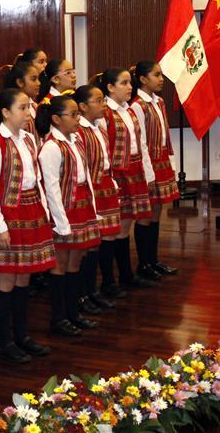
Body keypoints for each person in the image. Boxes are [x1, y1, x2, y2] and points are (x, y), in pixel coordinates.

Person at [0, 88, 55, 362]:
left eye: (28, 108)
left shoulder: (28, 139)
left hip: (31, 209)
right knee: (8, 278)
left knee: (25, 275)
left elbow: (36, 178)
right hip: (9, 214)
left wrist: (45, 210)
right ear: (5, 112)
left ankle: (22, 334)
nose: (27, 113)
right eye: (22, 108)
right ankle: (5, 340)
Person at [37, 96, 101, 337]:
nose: (77, 119)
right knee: (61, 264)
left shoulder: (76, 140)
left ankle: (74, 312)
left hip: (81, 205)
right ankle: (58, 316)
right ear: (56, 119)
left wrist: (93, 208)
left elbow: (85, 176)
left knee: (77, 260)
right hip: (63, 210)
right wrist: (61, 222)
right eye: (72, 115)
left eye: (77, 114)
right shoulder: (52, 147)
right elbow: (51, 187)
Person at [95, 69, 157, 297]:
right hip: (118, 173)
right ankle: (110, 280)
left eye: (130, 83)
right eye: (123, 83)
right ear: (110, 87)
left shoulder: (129, 110)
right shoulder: (105, 113)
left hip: (135, 168)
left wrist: (148, 173)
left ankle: (127, 275)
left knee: (128, 223)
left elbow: (140, 142)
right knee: (116, 226)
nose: (129, 87)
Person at [130, 61, 179, 280]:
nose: (161, 79)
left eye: (161, 75)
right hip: (148, 164)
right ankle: (144, 263)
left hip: (162, 162)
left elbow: (165, 135)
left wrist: (172, 163)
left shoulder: (159, 102)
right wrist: (148, 172)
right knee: (146, 214)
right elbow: (140, 141)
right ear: (142, 79)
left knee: (158, 212)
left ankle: (153, 259)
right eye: (156, 75)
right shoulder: (138, 106)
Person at [73, 85, 119, 311]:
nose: (103, 105)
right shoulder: (79, 132)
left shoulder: (99, 126)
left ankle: (94, 290)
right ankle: (82, 294)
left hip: (105, 187)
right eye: (98, 101)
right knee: (88, 246)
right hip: (91, 191)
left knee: (103, 240)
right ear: (82, 106)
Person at [2, 61, 42, 151]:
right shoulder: (9, 107)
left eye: (38, 79)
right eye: (33, 79)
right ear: (20, 82)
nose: (39, 83)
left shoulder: (36, 107)